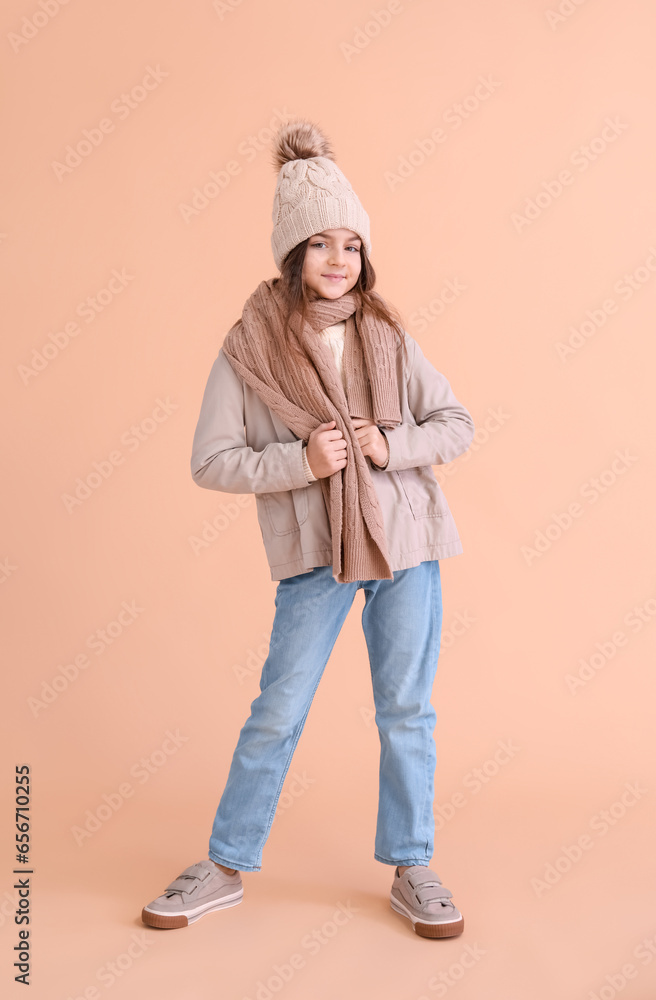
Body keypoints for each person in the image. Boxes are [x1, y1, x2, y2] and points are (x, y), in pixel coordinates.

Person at [141, 118, 475, 939]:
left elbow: (456, 424)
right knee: (278, 711)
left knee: (406, 712)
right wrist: (303, 461)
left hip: (407, 548)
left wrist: (389, 446)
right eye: (320, 244)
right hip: (314, 558)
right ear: (292, 255)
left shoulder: (390, 335)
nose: (338, 260)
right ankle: (222, 865)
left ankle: (411, 864)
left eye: (351, 245)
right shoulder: (248, 351)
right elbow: (212, 460)